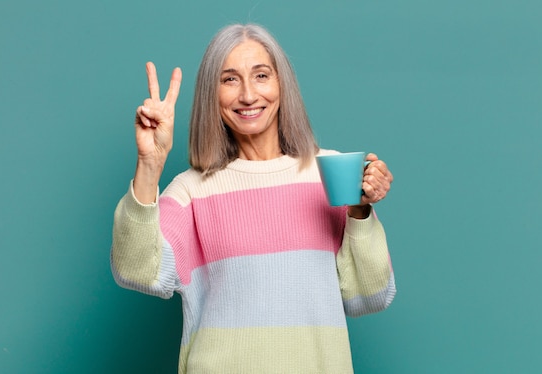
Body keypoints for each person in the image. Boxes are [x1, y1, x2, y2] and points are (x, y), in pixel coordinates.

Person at [111, 23, 396, 374]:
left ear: (282, 84)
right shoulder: (191, 191)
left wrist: (360, 211)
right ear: (210, 95)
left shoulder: (329, 174)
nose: (248, 95)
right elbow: (135, 270)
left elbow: (369, 296)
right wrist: (150, 165)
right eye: (229, 79)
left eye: (261, 75)